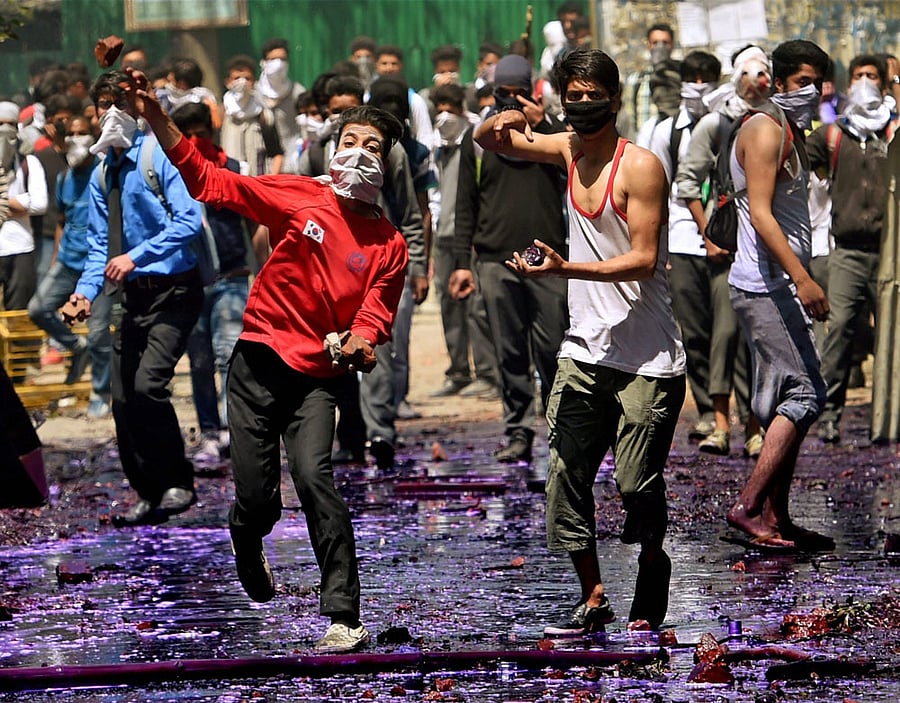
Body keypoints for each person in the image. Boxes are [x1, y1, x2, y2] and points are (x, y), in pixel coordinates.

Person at [132, 65, 406, 653]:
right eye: (350, 143)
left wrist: (361, 340)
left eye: (372, 147)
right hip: (257, 362)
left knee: (315, 479)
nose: (358, 154)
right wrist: (155, 115)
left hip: (318, 379)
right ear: (332, 151)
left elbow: (375, 313)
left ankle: (343, 616)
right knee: (258, 497)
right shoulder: (299, 195)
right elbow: (211, 182)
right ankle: (245, 532)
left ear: (388, 164)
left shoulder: (390, 244)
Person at [475, 48, 686, 632]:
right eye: (576, 97)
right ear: (562, 99)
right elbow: (489, 142)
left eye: (596, 97)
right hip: (584, 348)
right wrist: (506, 117)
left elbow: (643, 260)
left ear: (615, 101)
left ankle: (651, 558)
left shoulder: (639, 166)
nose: (586, 107)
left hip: (649, 355)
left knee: (633, 480)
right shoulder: (566, 147)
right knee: (565, 471)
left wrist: (562, 269)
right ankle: (593, 594)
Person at [67, 70, 205, 527]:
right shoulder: (102, 171)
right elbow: (97, 247)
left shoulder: (159, 156)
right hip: (131, 299)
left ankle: (178, 482)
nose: (110, 113)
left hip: (175, 291)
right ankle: (147, 490)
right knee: (122, 399)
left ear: (136, 108)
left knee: (149, 386)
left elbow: (187, 221)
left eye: (120, 104)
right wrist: (83, 293)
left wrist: (136, 257)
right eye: (102, 105)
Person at [724, 40, 834, 551]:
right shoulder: (766, 129)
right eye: (801, 82)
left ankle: (775, 516)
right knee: (807, 394)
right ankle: (748, 506)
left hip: (777, 282)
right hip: (766, 283)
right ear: (780, 79)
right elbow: (763, 215)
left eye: (818, 83)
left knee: (790, 400)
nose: (811, 92)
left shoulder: (791, 129)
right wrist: (804, 279)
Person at [450, 54, 568, 463]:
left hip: (547, 257)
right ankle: (517, 431)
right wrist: (462, 262)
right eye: (505, 95)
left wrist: (543, 124)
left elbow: (578, 169)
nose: (512, 102)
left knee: (554, 349)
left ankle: (560, 431)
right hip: (496, 258)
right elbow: (464, 204)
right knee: (509, 351)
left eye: (520, 94)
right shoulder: (479, 139)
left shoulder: (553, 135)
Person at [673, 45, 771, 457]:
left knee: (757, 340)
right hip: (729, 247)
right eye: (751, 75)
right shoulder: (716, 124)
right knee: (725, 334)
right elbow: (688, 182)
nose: (759, 83)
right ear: (737, 79)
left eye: (764, 75)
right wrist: (709, 234)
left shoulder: (774, 122)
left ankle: (755, 424)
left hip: (765, 247)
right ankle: (720, 422)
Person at [809, 54, 897, 444]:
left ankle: (891, 415)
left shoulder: (893, 133)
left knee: (892, 334)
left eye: (872, 76)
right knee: (840, 328)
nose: (864, 82)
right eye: (858, 75)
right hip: (845, 251)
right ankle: (829, 415)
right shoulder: (833, 135)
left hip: (890, 252)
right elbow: (792, 154)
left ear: (883, 83)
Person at [172, 102, 253, 467]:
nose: (193, 141)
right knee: (200, 360)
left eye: (200, 133)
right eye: (185, 134)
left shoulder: (234, 170)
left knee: (229, 356)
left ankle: (234, 432)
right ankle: (209, 432)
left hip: (232, 279)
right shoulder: (171, 176)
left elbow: (255, 223)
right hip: (190, 283)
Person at [27, 114, 112, 417]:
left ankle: (101, 393)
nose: (78, 139)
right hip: (68, 261)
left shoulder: (104, 173)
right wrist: (56, 258)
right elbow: (62, 221)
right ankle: (76, 346)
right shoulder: (65, 178)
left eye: (83, 133)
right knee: (38, 308)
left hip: (98, 263)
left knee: (101, 332)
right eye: (72, 133)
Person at [429, 83, 500, 399]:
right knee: (448, 303)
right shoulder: (436, 145)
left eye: (451, 107)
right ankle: (458, 371)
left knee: (477, 305)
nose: (445, 114)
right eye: (439, 108)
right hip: (443, 234)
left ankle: (487, 372)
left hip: (469, 235)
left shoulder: (476, 140)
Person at [0, 101, 48, 318]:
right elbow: (30, 202)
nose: (4, 130)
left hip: (20, 248)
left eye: (10, 124)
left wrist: (2, 202)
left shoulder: (29, 163)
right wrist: (20, 203)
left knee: (18, 316)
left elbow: (40, 203)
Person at [257, 38, 306, 149]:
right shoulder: (254, 93)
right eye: (273, 59)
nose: (278, 64)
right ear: (264, 63)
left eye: (282, 59)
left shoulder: (297, 92)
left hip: (291, 155)